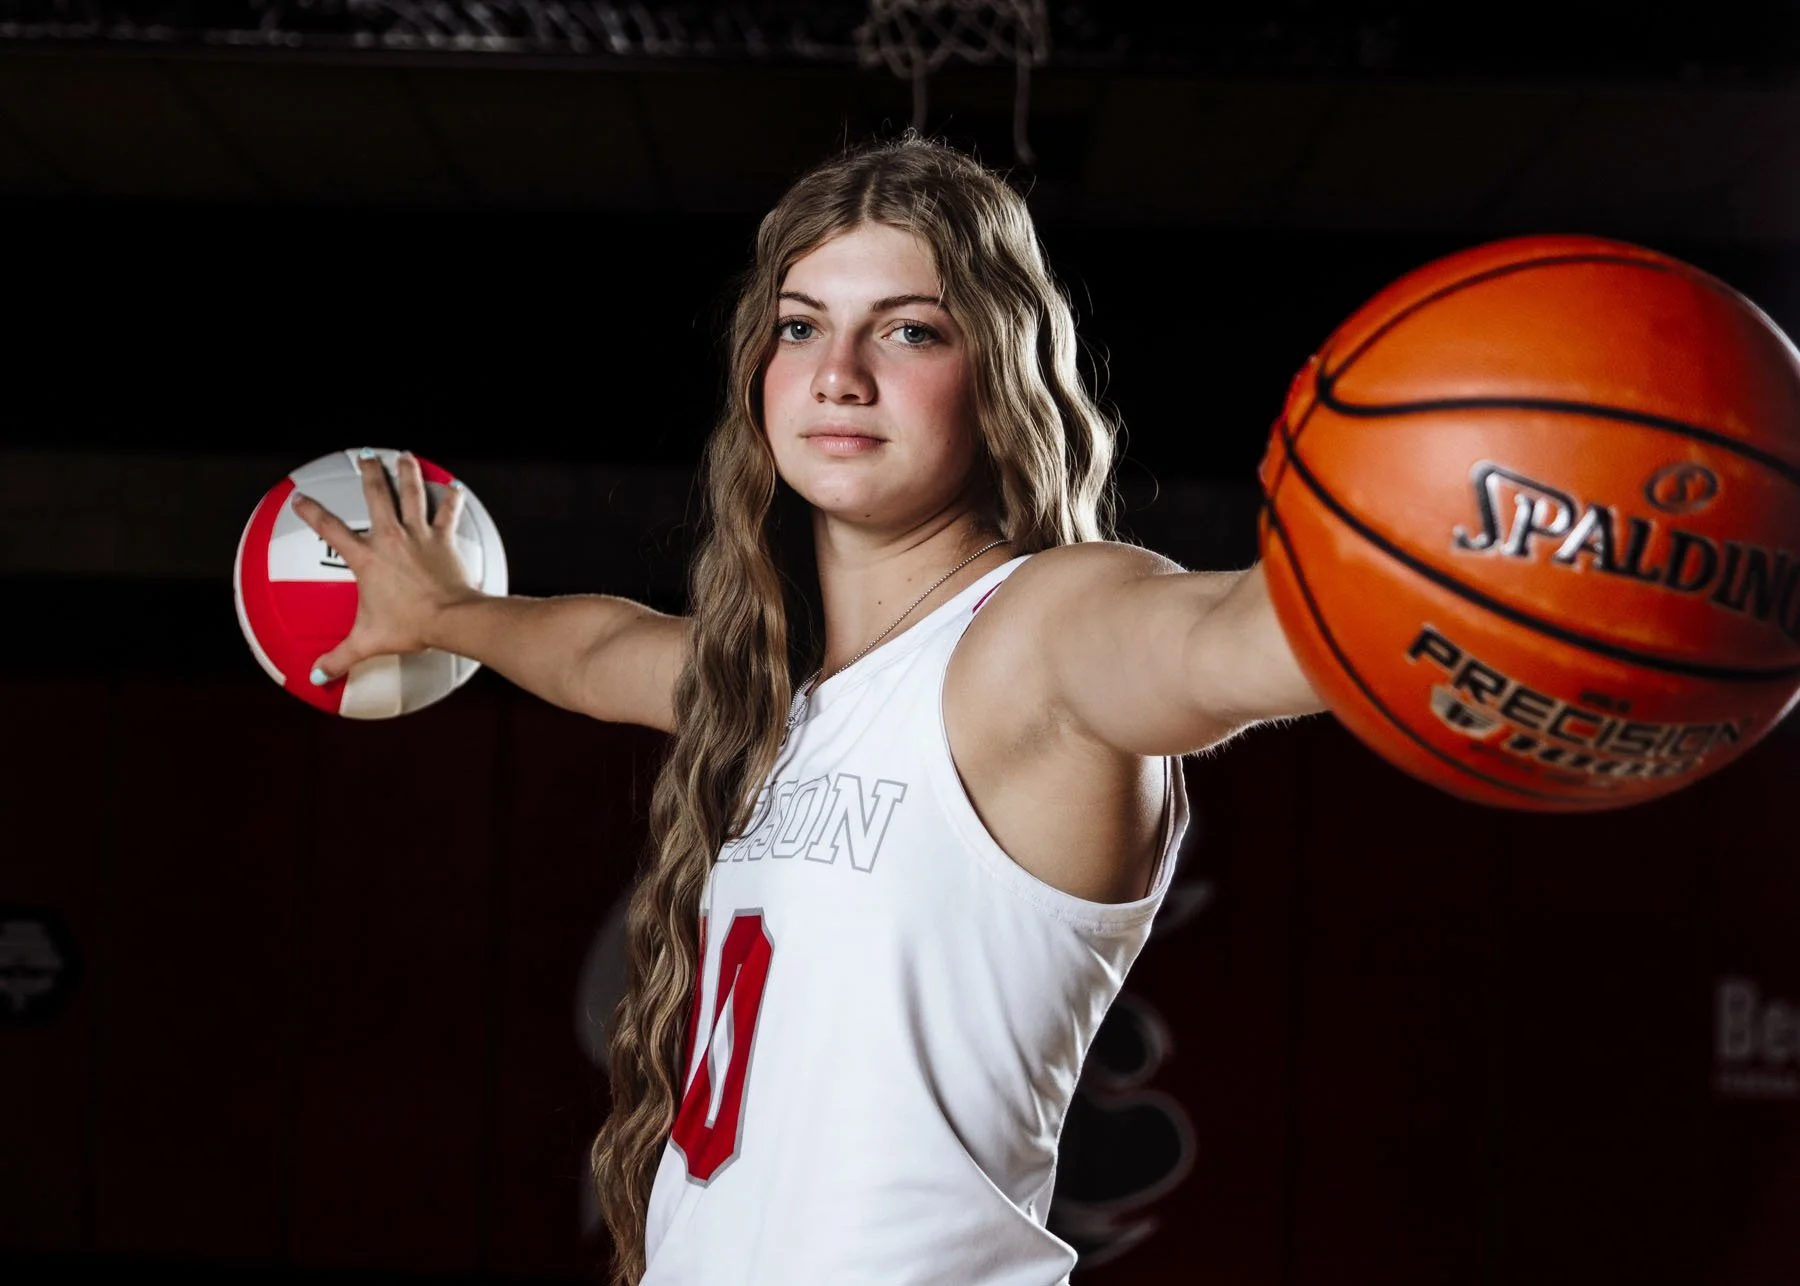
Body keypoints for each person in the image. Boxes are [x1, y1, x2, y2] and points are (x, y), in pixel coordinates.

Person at [290, 136, 1325, 1286]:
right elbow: (601, 647)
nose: (840, 371)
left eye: (910, 328)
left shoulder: (1040, 634)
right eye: (800, 325)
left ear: (1000, 371)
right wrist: (441, 613)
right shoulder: (768, 694)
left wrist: (1435, 583)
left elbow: (1228, 639)